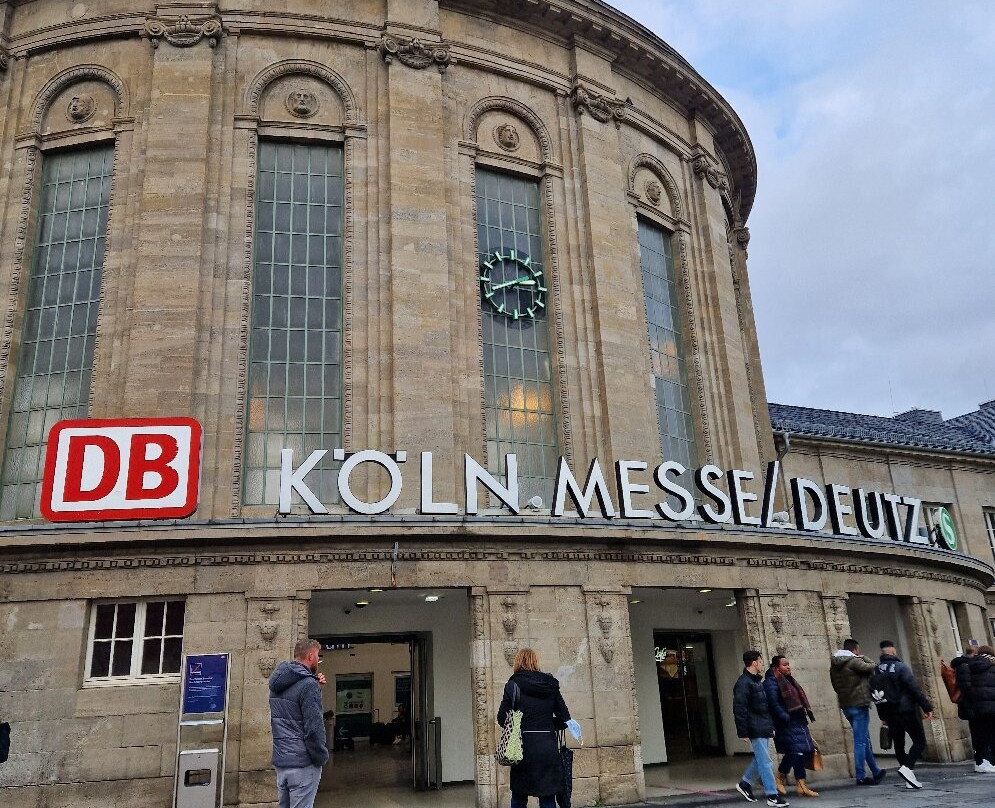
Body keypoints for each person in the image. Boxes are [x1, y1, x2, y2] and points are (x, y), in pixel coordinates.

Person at [497, 647, 572, 808]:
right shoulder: (550, 685)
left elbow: (501, 718)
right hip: (547, 746)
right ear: (536, 662)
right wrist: (547, 723)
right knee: (547, 797)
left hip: (522, 747)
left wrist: (519, 721)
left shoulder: (513, 685)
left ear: (518, 662)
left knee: (519, 796)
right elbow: (565, 719)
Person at [269, 638, 330, 808]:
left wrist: (315, 688)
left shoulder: (277, 684)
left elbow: (291, 712)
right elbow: (314, 728)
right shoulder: (308, 685)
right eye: (317, 656)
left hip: (283, 762)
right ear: (310, 656)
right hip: (303, 763)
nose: (318, 660)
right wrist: (321, 757)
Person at [870, 640, 933, 790]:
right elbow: (914, 688)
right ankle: (908, 768)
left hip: (889, 713)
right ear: (893, 651)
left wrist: (882, 717)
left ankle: (908, 776)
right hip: (906, 711)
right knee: (919, 741)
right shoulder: (900, 667)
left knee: (899, 744)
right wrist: (926, 707)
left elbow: (877, 696)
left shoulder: (876, 671)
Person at [733, 649, 790, 806]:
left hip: (762, 725)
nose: (762, 664)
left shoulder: (756, 681)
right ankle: (772, 795)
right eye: (760, 661)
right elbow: (739, 708)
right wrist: (742, 731)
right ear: (754, 663)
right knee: (765, 762)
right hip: (755, 727)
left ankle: (745, 784)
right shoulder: (743, 683)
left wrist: (770, 726)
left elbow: (763, 707)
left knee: (761, 760)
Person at [829, 638, 885, 785]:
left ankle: (876, 770)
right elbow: (873, 667)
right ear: (854, 650)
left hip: (846, 705)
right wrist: (863, 657)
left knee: (863, 739)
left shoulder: (834, 665)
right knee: (860, 741)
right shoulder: (854, 661)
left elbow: (835, 686)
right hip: (859, 705)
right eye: (858, 650)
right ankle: (860, 775)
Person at [763, 656, 819, 798]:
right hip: (786, 723)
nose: (788, 667)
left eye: (788, 664)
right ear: (776, 667)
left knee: (800, 751)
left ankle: (801, 784)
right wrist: (785, 716)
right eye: (784, 665)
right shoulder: (771, 682)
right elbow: (773, 703)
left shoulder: (788, 680)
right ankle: (780, 778)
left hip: (798, 720)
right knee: (795, 751)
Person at [956, 644, 995, 773]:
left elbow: (965, 687)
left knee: (979, 735)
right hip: (990, 706)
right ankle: (987, 761)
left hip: (975, 707)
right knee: (990, 735)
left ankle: (982, 761)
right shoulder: (992, 666)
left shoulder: (967, 666)